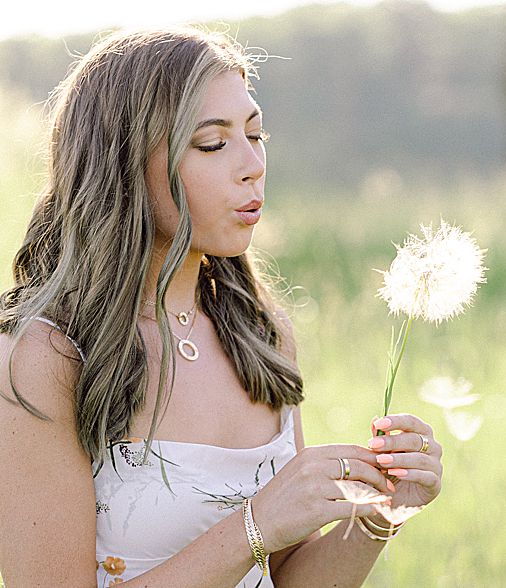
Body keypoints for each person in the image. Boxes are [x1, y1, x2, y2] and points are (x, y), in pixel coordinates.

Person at [0, 27, 442, 587]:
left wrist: (382, 513)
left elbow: (288, 580)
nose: (252, 165)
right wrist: (257, 525)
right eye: (213, 143)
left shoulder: (262, 337)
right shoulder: (44, 358)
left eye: (256, 136)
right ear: (124, 162)